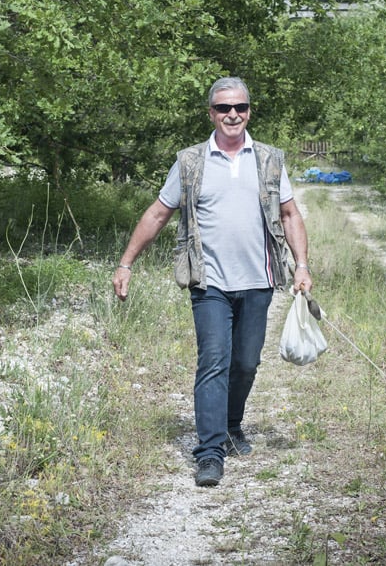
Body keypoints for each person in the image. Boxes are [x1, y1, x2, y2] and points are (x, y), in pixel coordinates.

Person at [111, 76, 312, 487]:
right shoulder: (190, 162)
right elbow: (157, 214)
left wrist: (302, 265)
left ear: (249, 111)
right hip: (209, 283)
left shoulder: (270, 159)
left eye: (239, 107)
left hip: (259, 280)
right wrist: (126, 263)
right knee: (214, 362)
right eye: (223, 109)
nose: (232, 115)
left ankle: (232, 424)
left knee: (246, 363)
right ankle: (210, 452)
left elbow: (290, 215)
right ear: (211, 113)